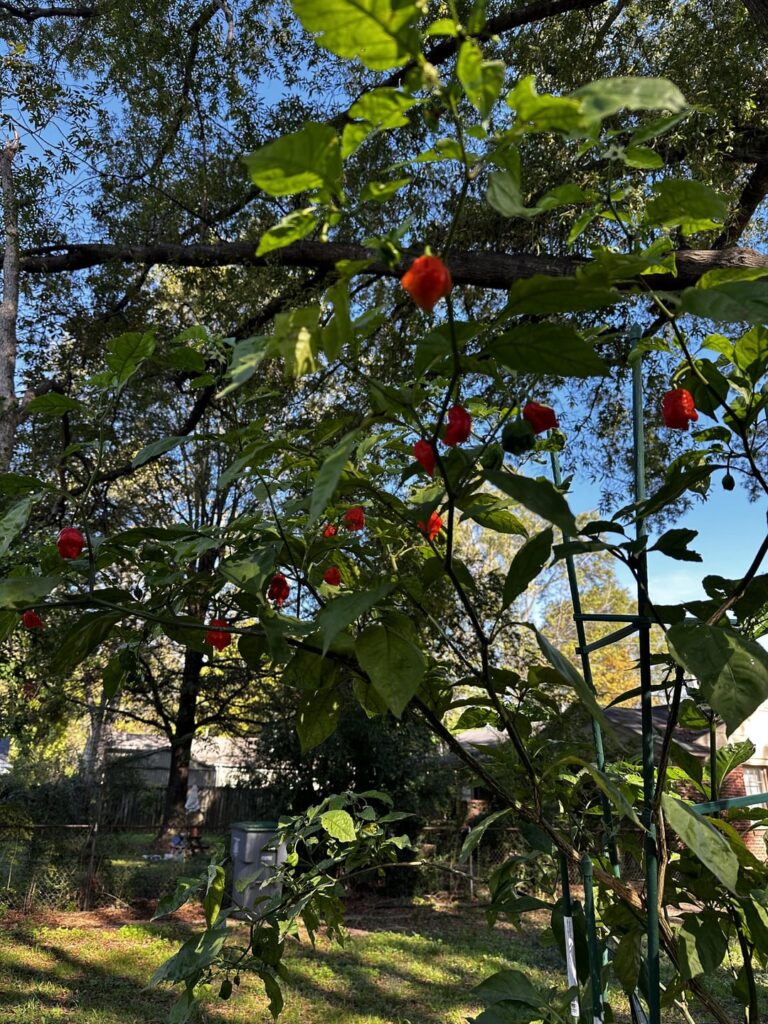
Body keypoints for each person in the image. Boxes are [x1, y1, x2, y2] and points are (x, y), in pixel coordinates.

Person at [184, 783, 207, 853]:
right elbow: (189, 805)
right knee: (193, 826)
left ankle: (194, 835)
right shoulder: (192, 796)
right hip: (192, 814)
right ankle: (192, 835)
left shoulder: (195, 796)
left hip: (194, 814)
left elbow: (194, 804)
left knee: (195, 826)